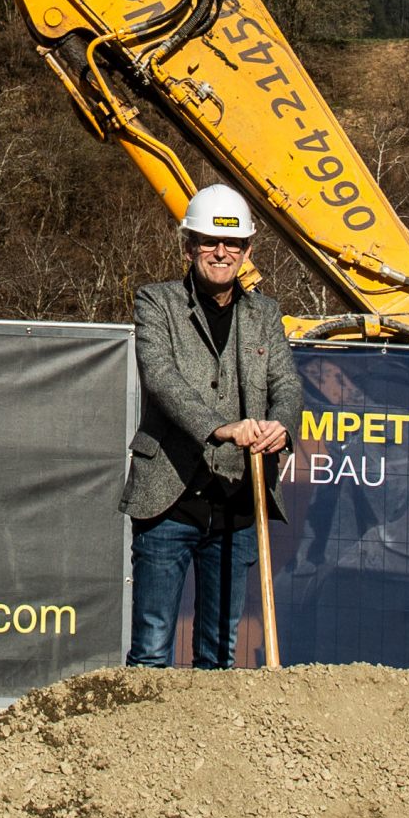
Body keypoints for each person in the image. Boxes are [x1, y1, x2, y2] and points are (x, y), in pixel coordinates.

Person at [121, 184, 302, 667]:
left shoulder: (265, 314)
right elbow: (162, 380)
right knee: (152, 651)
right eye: (208, 241)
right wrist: (222, 427)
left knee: (219, 655)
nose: (221, 253)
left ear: (246, 252)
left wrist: (281, 427)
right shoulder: (155, 303)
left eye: (233, 244)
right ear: (188, 247)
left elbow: (286, 385)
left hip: (238, 504)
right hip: (168, 500)